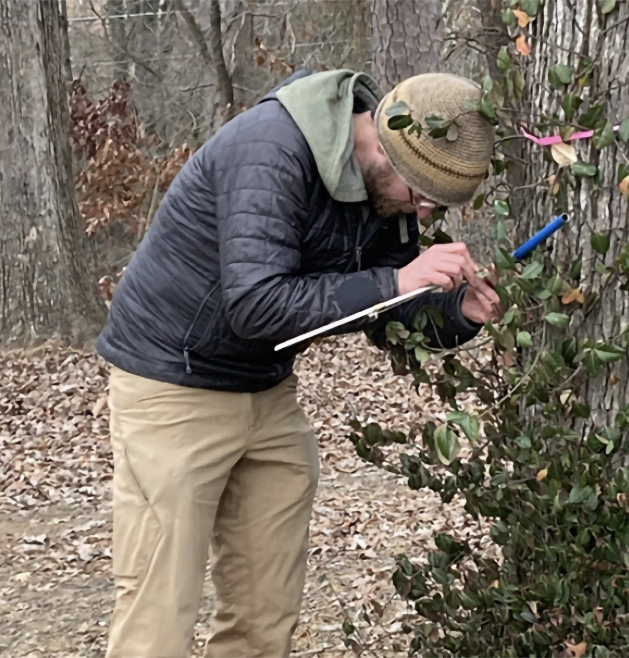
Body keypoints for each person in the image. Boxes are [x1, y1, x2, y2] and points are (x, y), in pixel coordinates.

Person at [94, 67, 501, 657]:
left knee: (266, 613)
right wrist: (395, 277)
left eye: (436, 205)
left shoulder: (389, 194)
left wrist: (459, 310)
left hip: (265, 389)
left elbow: (385, 317)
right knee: (159, 610)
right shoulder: (273, 149)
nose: (425, 214)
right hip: (170, 384)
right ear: (386, 145)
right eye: (421, 196)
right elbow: (255, 305)